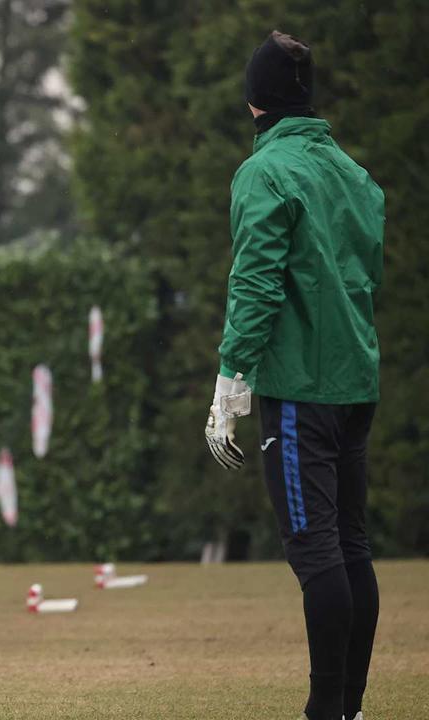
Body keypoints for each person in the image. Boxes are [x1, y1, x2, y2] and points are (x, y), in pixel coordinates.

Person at [205, 31, 384, 720]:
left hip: (299, 389)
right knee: (351, 547)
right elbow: (367, 275)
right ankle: (352, 707)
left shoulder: (265, 171)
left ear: (255, 101)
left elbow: (255, 282)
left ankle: (326, 710)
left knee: (316, 554)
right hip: (355, 380)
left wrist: (230, 381)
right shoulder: (353, 171)